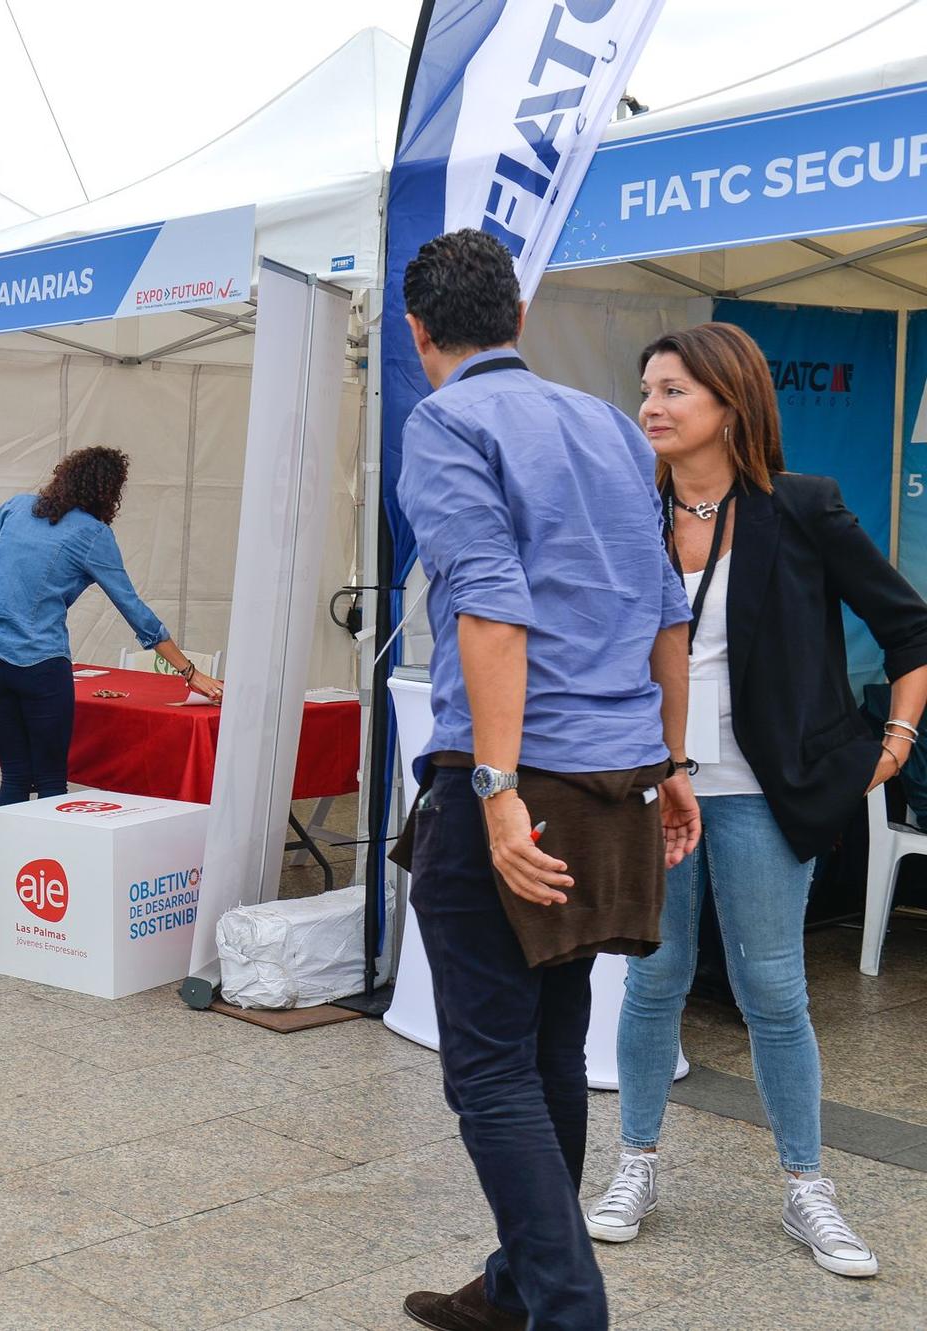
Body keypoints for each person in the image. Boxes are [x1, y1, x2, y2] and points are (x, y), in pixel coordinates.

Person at [392, 229, 699, 1331]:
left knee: (487, 1069)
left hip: (521, 783)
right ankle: (516, 1285)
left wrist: (494, 785)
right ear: (516, 320)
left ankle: (566, 1309)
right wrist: (667, 761)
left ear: (418, 331)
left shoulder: (444, 419)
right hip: (613, 775)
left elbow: (488, 606)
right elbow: (666, 607)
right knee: (546, 1044)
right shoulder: (611, 425)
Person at [583, 321, 927, 1280]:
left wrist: (892, 744)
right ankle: (637, 1163)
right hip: (651, 788)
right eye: (646, 389)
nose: (650, 406)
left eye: (673, 391)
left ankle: (807, 1185)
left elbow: (911, 628)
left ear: (731, 404)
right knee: (653, 979)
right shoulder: (629, 514)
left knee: (772, 989)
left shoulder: (803, 507)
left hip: (763, 793)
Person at [0, 445, 223, 804]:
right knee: (50, 780)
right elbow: (133, 609)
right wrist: (189, 672)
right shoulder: (92, 535)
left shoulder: (16, 507)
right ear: (109, 493)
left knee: (13, 772)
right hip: (40, 665)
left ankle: (7, 862)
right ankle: (49, 861)